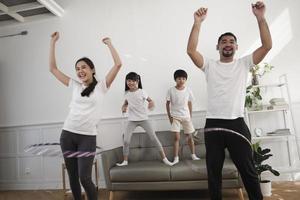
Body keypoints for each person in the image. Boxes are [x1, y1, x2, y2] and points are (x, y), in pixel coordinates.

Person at [187, 1, 272, 200]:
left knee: (249, 172)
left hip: (237, 123)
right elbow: (191, 50)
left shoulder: (244, 64)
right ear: (218, 46)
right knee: (214, 173)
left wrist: (260, 18)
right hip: (213, 124)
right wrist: (197, 23)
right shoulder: (209, 65)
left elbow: (267, 46)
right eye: (224, 41)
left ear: (236, 46)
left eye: (231, 41)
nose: (227, 44)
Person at [49, 32, 122, 200]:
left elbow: (118, 64)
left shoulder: (102, 87)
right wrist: (53, 42)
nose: (80, 71)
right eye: (77, 68)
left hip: (87, 138)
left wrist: (109, 43)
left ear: (92, 70)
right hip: (67, 134)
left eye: (83, 67)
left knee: (84, 177)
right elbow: (53, 69)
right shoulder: (74, 85)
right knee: (73, 177)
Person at [117, 72, 173, 167]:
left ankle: (165, 159)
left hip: (143, 119)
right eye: (129, 81)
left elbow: (150, 100)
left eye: (133, 81)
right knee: (126, 141)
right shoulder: (126, 93)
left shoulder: (142, 92)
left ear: (137, 81)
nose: (131, 83)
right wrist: (123, 107)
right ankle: (125, 161)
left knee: (153, 138)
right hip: (132, 120)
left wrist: (151, 103)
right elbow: (126, 103)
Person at [166, 69, 200, 165]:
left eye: (184, 78)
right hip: (175, 116)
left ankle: (193, 155)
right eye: (179, 78)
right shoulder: (171, 90)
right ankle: (176, 157)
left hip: (186, 116)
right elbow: (167, 104)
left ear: (186, 80)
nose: (181, 80)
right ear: (175, 79)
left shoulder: (188, 90)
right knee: (176, 137)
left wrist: (190, 115)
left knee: (189, 137)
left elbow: (189, 103)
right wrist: (169, 117)